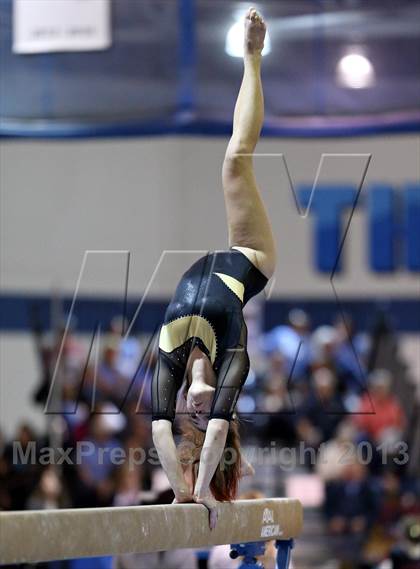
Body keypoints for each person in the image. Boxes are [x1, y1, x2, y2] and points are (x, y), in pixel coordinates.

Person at [151, 8, 276, 528]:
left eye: (193, 418)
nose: (199, 415)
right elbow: (220, 432)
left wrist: (181, 493)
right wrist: (200, 492)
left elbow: (159, 429)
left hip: (214, 264)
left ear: (184, 404)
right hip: (249, 256)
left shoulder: (169, 351)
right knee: (235, 160)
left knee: (228, 162)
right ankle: (253, 57)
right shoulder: (233, 361)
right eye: (206, 417)